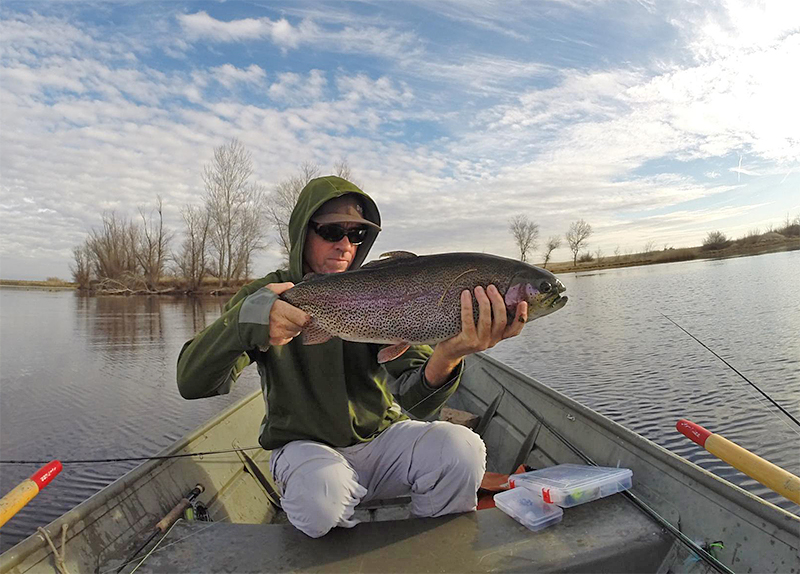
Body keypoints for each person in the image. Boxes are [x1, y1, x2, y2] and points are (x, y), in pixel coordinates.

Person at [177, 176, 528, 538]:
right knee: (321, 496)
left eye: (357, 235)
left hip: (381, 442)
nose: (345, 245)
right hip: (304, 450)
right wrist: (245, 324)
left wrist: (452, 353)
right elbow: (192, 383)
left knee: (462, 450)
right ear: (302, 233)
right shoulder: (267, 295)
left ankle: (430, 550)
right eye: (332, 232)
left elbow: (414, 399)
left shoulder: (387, 289)